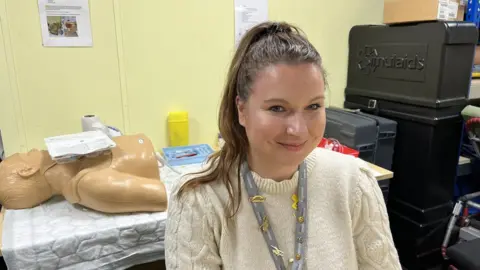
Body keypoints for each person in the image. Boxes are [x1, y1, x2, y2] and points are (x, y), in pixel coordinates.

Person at [165, 21, 402, 269]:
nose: (298, 129)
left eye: (313, 106)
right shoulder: (200, 199)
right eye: (277, 108)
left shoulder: (355, 182)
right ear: (242, 110)